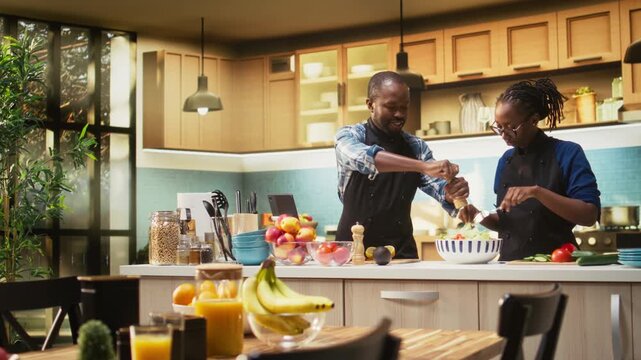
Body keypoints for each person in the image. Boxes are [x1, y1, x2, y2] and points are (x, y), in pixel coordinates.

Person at [459, 78, 601, 261]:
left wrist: (538, 192)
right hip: (511, 265)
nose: (503, 134)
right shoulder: (506, 161)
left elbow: (589, 215)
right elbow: (506, 223)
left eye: (511, 127)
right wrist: (478, 215)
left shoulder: (567, 153)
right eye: (499, 127)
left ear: (534, 120)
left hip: (558, 262)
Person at [334, 71, 469, 259]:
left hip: (401, 253)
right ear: (370, 105)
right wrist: (422, 166)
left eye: (404, 107)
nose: (399, 114)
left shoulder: (416, 147)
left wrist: (451, 192)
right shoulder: (349, 136)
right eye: (391, 107)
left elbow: (437, 187)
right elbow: (365, 159)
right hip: (351, 253)